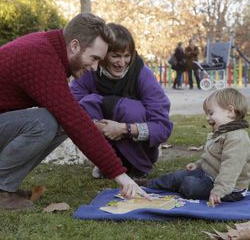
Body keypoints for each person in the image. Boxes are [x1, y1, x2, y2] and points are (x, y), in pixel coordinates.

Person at [0, 13, 149, 210]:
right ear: (75, 46)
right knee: (45, 122)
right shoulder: (40, 56)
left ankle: (6, 187)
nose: (95, 67)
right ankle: (2, 191)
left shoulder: (49, 51)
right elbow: (73, 119)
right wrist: (120, 175)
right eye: (94, 58)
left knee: (58, 122)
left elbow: (70, 116)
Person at [70, 23, 173, 179]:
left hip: (138, 145)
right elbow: (71, 107)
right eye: (116, 56)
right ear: (104, 54)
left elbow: (162, 127)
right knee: (89, 102)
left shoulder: (143, 75)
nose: (122, 62)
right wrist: (95, 126)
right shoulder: (90, 70)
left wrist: (125, 129)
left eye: (127, 55)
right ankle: (106, 163)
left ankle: (138, 165)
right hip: (103, 138)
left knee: (130, 109)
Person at [142, 88, 250, 207]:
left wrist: (219, 191)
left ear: (230, 111)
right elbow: (212, 156)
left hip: (229, 188)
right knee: (177, 176)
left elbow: (231, 168)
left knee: (189, 185)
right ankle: (147, 185)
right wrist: (198, 164)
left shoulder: (237, 138)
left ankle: (182, 186)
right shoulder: (221, 132)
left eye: (211, 113)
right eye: (206, 114)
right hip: (209, 175)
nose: (207, 118)